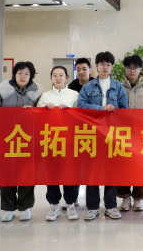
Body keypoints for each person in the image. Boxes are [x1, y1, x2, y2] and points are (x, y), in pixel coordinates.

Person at [77, 51, 128, 221]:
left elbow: (124, 111)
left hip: (112, 134)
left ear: (112, 67)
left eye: (108, 65)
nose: (105, 67)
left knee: (111, 170)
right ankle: (92, 207)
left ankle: (111, 206)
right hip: (92, 133)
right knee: (92, 170)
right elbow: (81, 105)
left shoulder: (119, 87)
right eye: (102, 64)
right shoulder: (87, 87)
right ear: (96, 66)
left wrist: (115, 111)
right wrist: (101, 109)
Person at [0, 61, 43, 222]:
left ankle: (25, 207)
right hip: (6, 138)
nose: (23, 76)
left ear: (31, 76)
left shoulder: (37, 92)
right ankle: (8, 208)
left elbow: (42, 112)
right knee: (6, 173)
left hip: (28, 139)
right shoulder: (3, 90)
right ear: (14, 74)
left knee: (26, 173)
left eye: (26, 74)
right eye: (20, 73)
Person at [37, 66, 81, 221]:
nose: (58, 78)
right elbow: (36, 113)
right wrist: (44, 108)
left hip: (69, 140)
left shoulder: (74, 94)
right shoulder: (45, 95)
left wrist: (70, 110)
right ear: (51, 78)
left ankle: (70, 204)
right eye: (55, 76)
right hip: (50, 140)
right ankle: (54, 205)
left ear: (66, 77)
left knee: (69, 173)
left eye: (61, 75)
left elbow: (81, 113)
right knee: (52, 173)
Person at [117, 55, 143, 212]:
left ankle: (138, 197)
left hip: (141, 131)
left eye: (135, 67)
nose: (132, 70)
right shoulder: (118, 86)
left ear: (140, 69)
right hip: (123, 132)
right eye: (129, 67)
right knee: (123, 164)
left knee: (140, 165)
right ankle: (125, 197)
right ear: (125, 69)